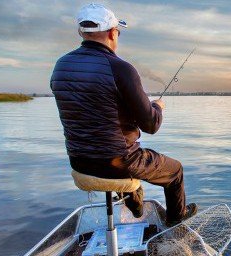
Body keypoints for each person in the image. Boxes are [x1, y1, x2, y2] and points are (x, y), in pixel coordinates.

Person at [50, 3, 196, 226]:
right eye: (118, 32)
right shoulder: (120, 68)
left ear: (82, 32)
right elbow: (151, 125)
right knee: (175, 171)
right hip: (118, 162)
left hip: (78, 161)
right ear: (112, 33)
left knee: (129, 160)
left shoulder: (61, 66)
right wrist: (158, 107)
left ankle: (135, 202)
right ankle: (175, 223)